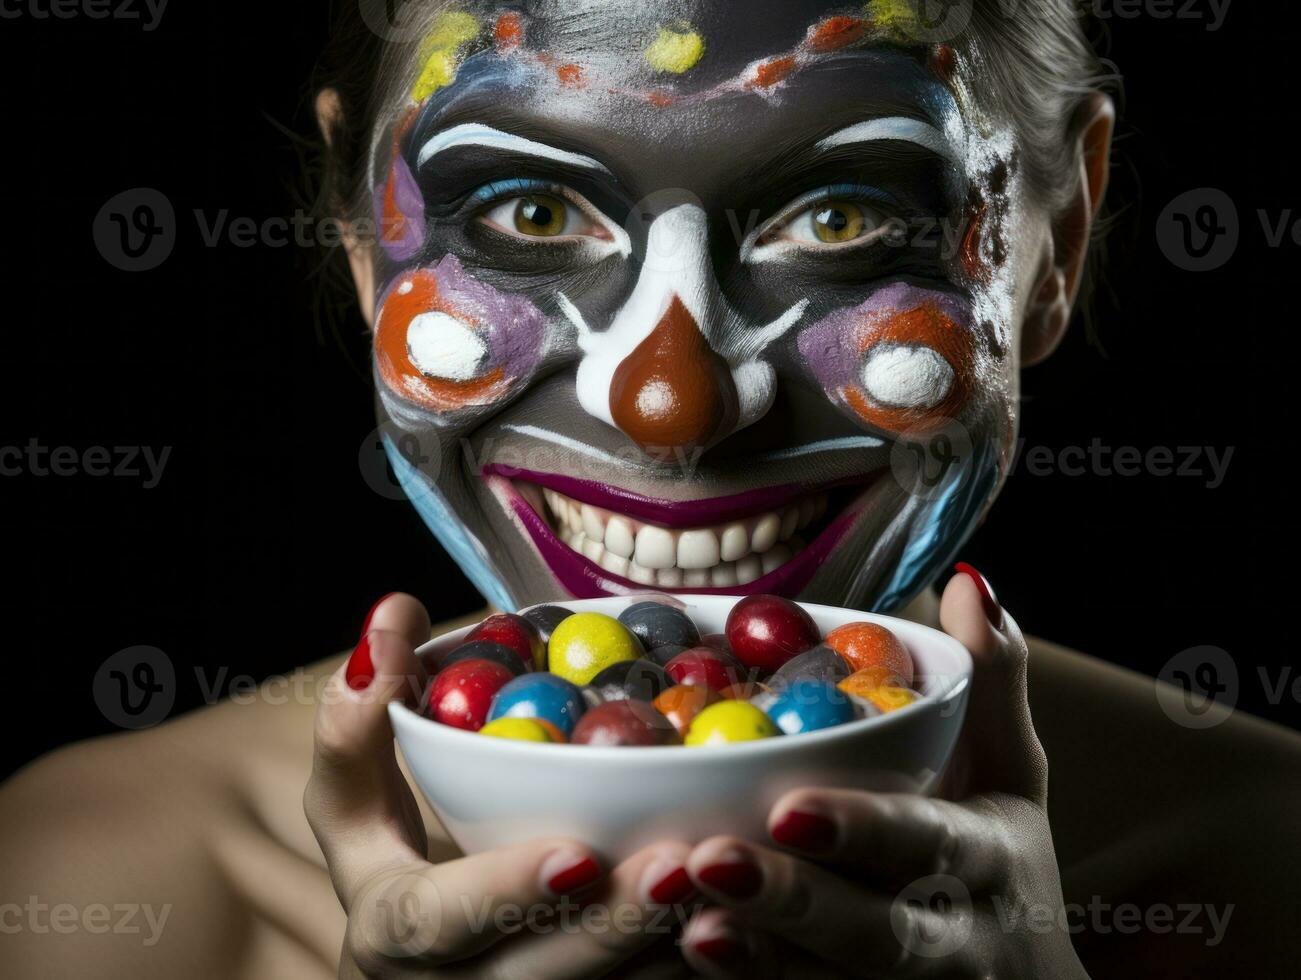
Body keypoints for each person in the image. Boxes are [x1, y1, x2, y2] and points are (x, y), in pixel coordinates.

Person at [2, 2, 1297, 977]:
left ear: (1053, 247)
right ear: (360, 251)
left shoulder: (1268, 865)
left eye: (841, 220)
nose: (670, 407)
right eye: (525, 216)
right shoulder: (79, 889)